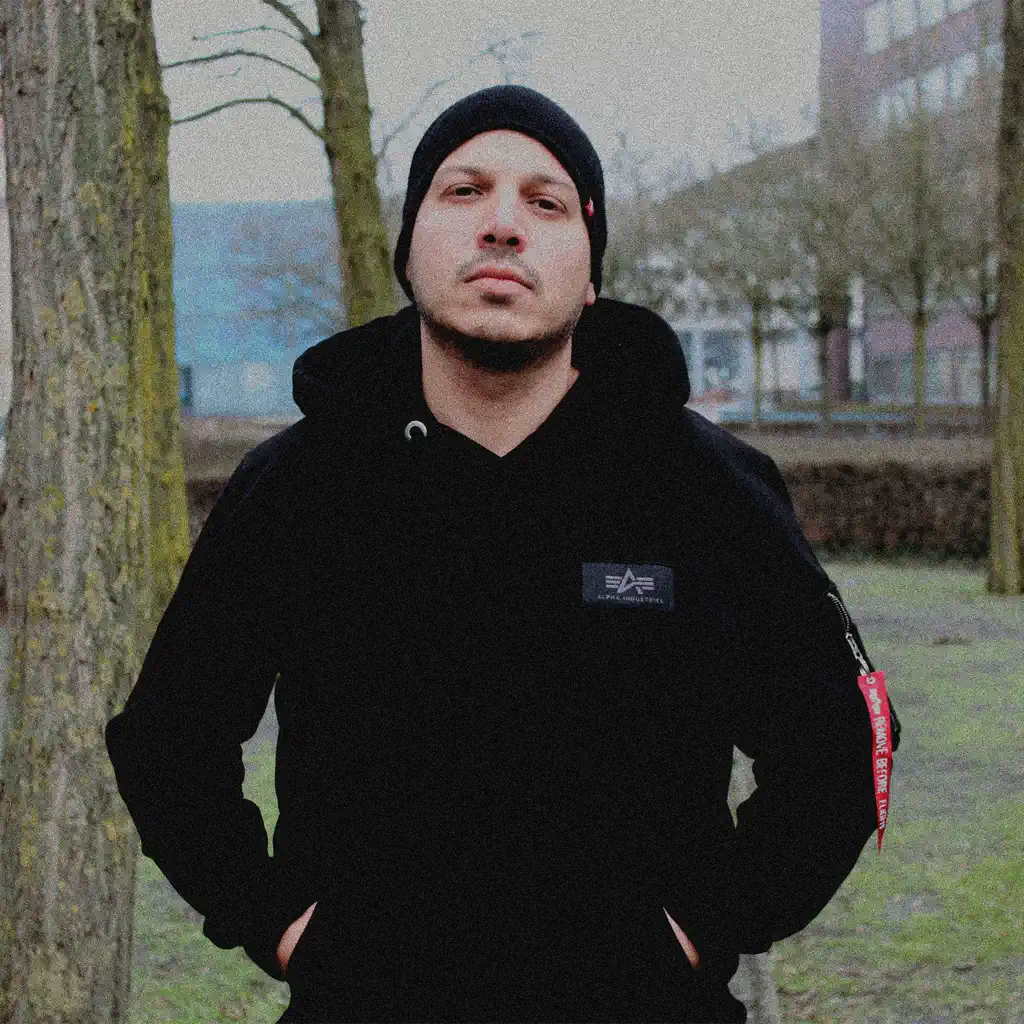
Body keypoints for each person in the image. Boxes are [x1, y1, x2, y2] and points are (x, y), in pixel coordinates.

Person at [106, 85, 901, 1023]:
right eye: (464, 190)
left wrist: (703, 925)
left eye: (545, 202)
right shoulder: (302, 486)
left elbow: (841, 746)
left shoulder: (704, 489)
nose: (502, 224)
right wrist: (277, 921)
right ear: (409, 248)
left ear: (590, 269)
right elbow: (169, 740)